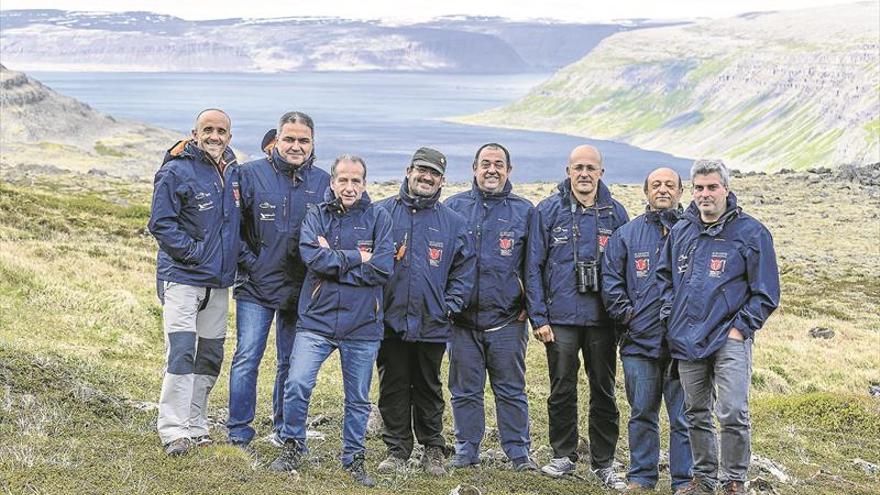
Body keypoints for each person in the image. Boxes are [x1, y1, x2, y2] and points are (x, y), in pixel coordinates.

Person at [269, 155, 393, 487]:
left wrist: (336, 265)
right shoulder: (316, 216)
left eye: (356, 180)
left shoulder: (379, 217)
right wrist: (357, 258)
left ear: (365, 183)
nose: (349, 186)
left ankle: (354, 458)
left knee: (358, 398)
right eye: (343, 180)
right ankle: (293, 445)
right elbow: (313, 258)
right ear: (332, 182)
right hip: (317, 322)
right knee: (296, 384)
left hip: (363, 325)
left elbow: (382, 268)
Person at [658, 159, 780, 495]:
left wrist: (740, 329)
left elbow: (766, 293)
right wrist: (672, 315)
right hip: (687, 338)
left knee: (732, 412)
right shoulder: (682, 231)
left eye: (712, 187)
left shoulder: (751, 233)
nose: (705, 194)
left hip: (729, 338)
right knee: (695, 412)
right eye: (698, 188)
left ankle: (734, 481)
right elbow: (664, 277)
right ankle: (704, 480)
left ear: (726, 188)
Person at [525, 144, 629, 489]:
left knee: (604, 391)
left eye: (591, 168)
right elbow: (533, 268)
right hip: (560, 320)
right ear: (567, 170)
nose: (584, 173)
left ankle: (603, 462)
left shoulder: (616, 213)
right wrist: (538, 318)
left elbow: (628, 269)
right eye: (578, 167)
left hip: (603, 320)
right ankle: (563, 455)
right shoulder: (548, 210)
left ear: (601, 172)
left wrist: (624, 317)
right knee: (561, 389)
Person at [226, 112, 330, 447]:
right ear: (277, 139)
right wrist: (250, 264)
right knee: (247, 358)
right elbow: (232, 228)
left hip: (301, 289)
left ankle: (284, 429)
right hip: (255, 286)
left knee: (291, 362)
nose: (296, 146)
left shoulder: (324, 182)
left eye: (303, 140)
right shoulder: (249, 174)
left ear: (312, 143)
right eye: (290, 139)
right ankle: (239, 432)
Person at [374, 147, 475, 476]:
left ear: (442, 180)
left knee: (429, 385)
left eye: (433, 173)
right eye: (421, 170)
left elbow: (464, 271)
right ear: (408, 170)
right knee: (393, 384)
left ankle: (433, 448)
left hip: (433, 322)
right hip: (388, 320)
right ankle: (397, 448)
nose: (426, 177)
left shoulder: (454, 223)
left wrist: (449, 306)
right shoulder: (381, 214)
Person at [148, 108, 241, 456]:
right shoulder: (175, 171)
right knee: (183, 353)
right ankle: (173, 430)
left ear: (229, 137)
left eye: (221, 131)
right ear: (194, 133)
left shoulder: (233, 173)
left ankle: (196, 423)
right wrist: (196, 254)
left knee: (210, 355)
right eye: (208, 130)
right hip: (183, 279)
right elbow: (161, 223)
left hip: (218, 283)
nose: (214, 136)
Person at [443, 143, 536, 471]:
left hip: (508, 320)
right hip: (462, 322)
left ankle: (518, 451)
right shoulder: (453, 208)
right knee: (464, 390)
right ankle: (466, 448)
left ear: (509, 170)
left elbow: (534, 265)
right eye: (485, 164)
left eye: (499, 164)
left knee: (511, 389)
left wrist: (531, 306)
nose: (492, 170)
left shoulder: (525, 211)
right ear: (474, 168)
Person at [601, 167, 693, 492]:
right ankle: (641, 477)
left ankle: (684, 481)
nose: (663, 190)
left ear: (681, 192)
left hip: (683, 348)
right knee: (642, 413)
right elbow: (611, 283)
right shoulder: (626, 235)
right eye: (656, 185)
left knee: (684, 418)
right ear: (646, 191)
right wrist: (629, 317)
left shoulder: (693, 233)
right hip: (638, 345)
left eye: (670, 185)